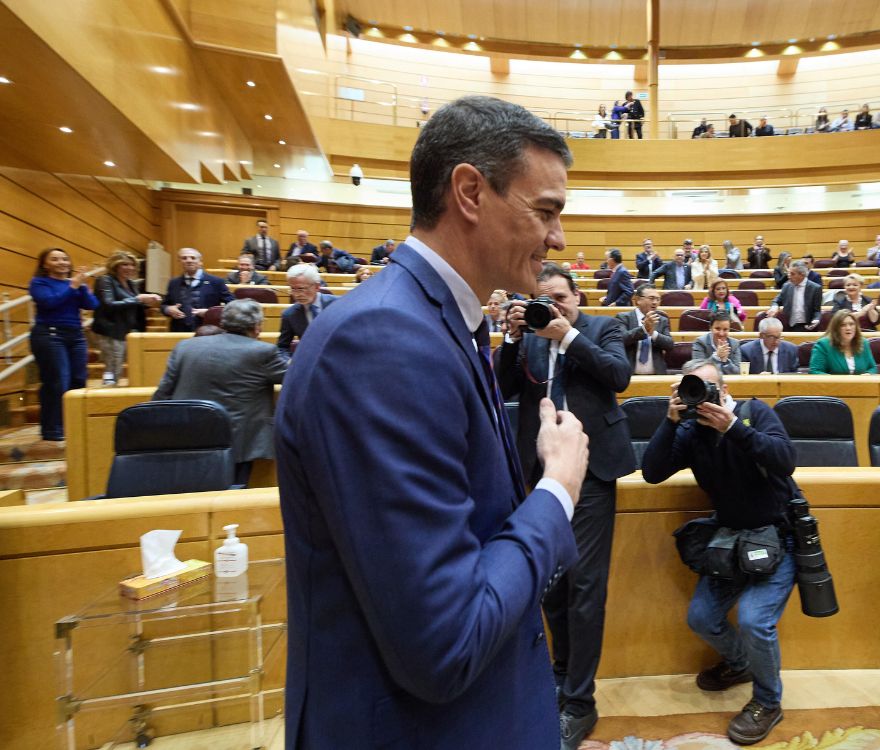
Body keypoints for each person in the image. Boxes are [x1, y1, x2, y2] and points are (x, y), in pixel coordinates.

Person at [275, 96, 591, 749]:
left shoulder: (444, 323)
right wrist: (556, 491)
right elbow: (446, 641)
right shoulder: (383, 340)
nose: (558, 238)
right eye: (546, 211)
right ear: (470, 192)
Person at [497, 263, 632, 747]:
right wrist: (513, 339)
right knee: (550, 586)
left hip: (592, 473)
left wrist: (568, 335)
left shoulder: (602, 327)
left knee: (585, 587)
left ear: (576, 297)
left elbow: (619, 376)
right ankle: (558, 678)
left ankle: (581, 701)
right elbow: (504, 388)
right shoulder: (530, 336)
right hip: (542, 475)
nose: (551, 306)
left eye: (560, 297)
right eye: (543, 298)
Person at [640, 358, 798, 745]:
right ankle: (741, 663)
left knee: (753, 620)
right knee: (701, 617)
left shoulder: (753, 413)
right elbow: (652, 471)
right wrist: (671, 420)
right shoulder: (691, 431)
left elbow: (785, 460)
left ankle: (768, 702)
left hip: (777, 535)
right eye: (690, 389)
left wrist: (734, 428)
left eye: (705, 388)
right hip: (731, 538)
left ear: (724, 390)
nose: (700, 397)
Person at [153, 299, 286, 485]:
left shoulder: (185, 346)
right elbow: (293, 377)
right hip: (237, 441)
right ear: (257, 327)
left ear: (223, 323)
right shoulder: (263, 352)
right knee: (231, 498)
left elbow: (162, 393)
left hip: (186, 435)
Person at [29, 248, 97, 441]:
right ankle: (53, 429)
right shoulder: (39, 283)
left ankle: (73, 424)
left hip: (75, 335)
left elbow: (92, 305)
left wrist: (82, 286)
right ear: (45, 264)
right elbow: (49, 303)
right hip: (50, 335)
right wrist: (74, 286)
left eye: (65, 259)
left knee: (78, 380)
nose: (61, 262)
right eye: (55, 259)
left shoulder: (74, 284)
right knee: (58, 380)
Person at [91, 251, 161, 386]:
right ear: (115, 265)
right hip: (111, 331)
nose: (129, 268)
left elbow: (132, 304)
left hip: (129, 331)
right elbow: (108, 305)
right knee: (112, 370)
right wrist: (138, 299)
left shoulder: (131, 283)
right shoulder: (105, 280)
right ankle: (106, 397)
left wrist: (147, 302)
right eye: (124, 264)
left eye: (132, 265)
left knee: (127, 367)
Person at [162, 248, 233, 332]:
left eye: (193, 258)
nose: (188, 261)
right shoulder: (173, 283)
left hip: (208, 331)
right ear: (179, 261)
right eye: (184, 258)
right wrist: (168, 309)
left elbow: (232, 304)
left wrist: (210, 313)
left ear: (200, 262)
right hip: (179, 330)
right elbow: (164, 305)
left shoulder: (216, 282)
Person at [277, 263, 338, 360]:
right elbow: (282, 348)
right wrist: (289, 363)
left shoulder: (337, 304)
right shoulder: (289, 315)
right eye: (293, 289)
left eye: (301, 289)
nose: (297, 295)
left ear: (317, 286)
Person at [617, 283, 673, 376]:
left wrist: (653, 334)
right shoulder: (623, 318)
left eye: (657, 299)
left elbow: (669, 345)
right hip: (628, 375)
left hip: (656, 375)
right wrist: (643, 329)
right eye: (651, 298)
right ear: (638, 300)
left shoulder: (662, 320)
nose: (655, 302)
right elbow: (621, 340)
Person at [809, 309, 877, 375]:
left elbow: (872, 368)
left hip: (861, 386)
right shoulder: (823, 345)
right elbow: (815, 371)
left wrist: (868, 374)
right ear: (836, 328)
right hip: (833, 386)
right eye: (843, 325)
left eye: (851, 324)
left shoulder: (863, 343)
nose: (848, 328)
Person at [767, 262, 822, 332]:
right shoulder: (786, 286)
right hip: (788, 325)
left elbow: (817, 310)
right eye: (788, 273)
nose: (789, 276)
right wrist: (774, 307)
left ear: (802, 275)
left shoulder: (815, 288)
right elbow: (776, 300)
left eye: (792, 274)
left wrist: (816, 319)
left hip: (808, 326)